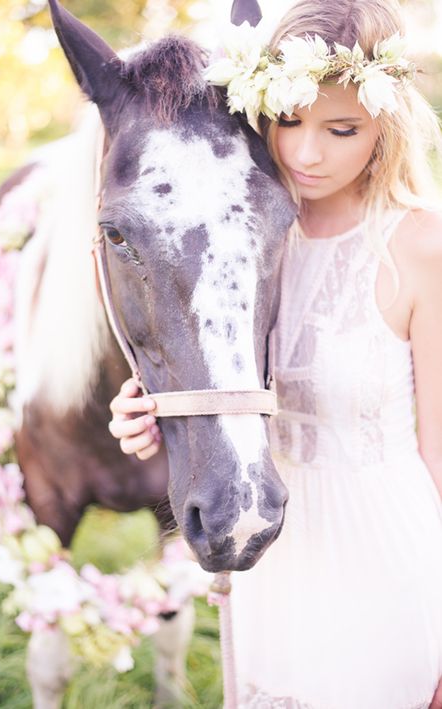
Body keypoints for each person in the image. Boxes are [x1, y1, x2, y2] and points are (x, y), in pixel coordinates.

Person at [108, 0, 442, 706]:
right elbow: (205, 372)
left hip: (386, 558)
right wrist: (146, 411)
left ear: (386, 124)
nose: (307, 152)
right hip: (275, 555)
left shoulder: (419, 248)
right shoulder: (243, 235)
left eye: (341, 129)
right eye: (288, 120)